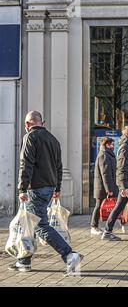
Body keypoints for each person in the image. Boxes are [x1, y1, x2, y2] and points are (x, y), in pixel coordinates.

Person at [10, 111, 83, 274]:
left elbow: (25, 164)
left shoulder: (30, 137)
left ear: (28, 124)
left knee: (39, 225)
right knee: (28, 223)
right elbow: (58, 166)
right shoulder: (53, 139)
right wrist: (57, 188)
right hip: (49, 188)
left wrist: (22, 188)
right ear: (42, 123)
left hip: (35, 189)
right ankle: (24, 261)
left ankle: (69, 254)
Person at [91, 137, 118, 235]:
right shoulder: (104, 155)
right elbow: (105, 174)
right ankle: (94, 226)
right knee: (98, 206)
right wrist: (109, 189)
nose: (113, 146)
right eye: (112, 144)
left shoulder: (107, 154)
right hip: (102, 187)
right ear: (107, 144)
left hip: (105, 186)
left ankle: (98, 226)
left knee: (100, 206)